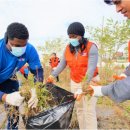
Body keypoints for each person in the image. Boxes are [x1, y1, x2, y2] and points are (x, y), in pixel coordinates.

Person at [47, 22, 100, 130]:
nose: (72, 39)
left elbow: (91, 69)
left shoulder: (91, 47)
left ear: (81, 35)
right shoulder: (68, 48)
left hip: (90, 82)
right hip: (75, 82)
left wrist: (83, 87)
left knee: (89, 110)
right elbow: (62, 64)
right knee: (80, 109)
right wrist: (52, 75)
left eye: (74, 36)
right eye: (70, 37)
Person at [0, 22, 44, 129]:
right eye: (17, 45)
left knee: (13, 113)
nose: (21, 48)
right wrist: (4, 96)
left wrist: (36, 89)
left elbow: (38, 71)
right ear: (7, 40)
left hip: (9, 79)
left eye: (24, 45)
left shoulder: (29, 49)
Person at [85, 0, 130, 103]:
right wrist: (126, 74)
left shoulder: (91, 47)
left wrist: (102, 90)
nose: (117, 9)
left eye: (118, 2)